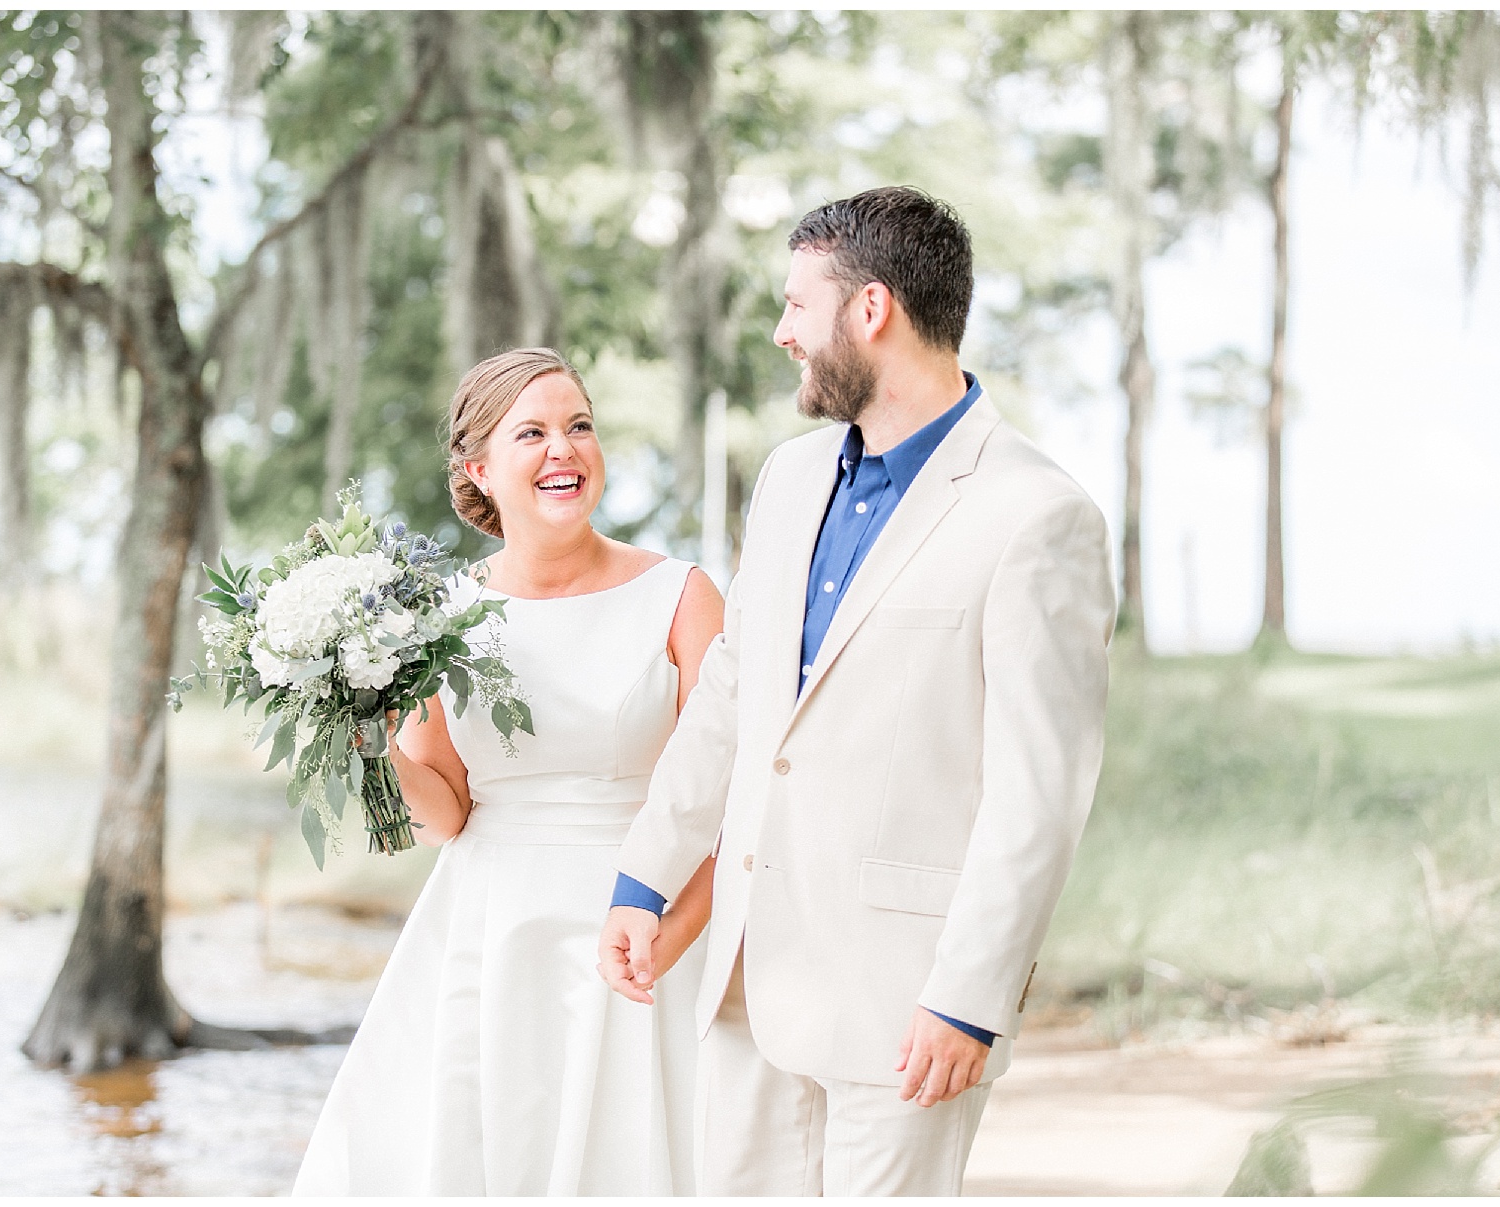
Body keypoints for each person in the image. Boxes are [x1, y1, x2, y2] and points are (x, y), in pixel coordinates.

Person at [597, 186, 1118, 1196]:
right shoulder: (790, 478)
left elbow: (1038, 794)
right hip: (750, 981)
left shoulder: (1037, 515)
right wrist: (644, 875)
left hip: (907, 1002)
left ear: (871, 310)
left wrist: (971, 998)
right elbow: (733, 701)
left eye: (798, 305)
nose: (783, 332)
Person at [294, 348, 724, 1195]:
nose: (562, 449)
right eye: (531, 432)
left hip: (646, 926)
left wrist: (673, 937)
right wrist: (367, 737)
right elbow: (446, 809)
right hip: (490, 934)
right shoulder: (440, 615)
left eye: (579, 426)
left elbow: (731, 799)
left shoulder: (682, 596)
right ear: (479, 468)